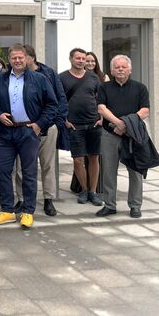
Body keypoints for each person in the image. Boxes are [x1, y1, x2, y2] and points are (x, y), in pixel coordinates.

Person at [0, 44, 58, 229]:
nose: (17, 61)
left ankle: (28, 211)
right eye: (14, 58)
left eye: (21, 57)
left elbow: (52, 105)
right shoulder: (0, 79)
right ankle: (7, 211)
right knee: (2, 169)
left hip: (28, 132)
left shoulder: (39, 79)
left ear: (27, 58)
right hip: (6, 132)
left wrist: (38, 125)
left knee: (29, 172)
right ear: (9, 59)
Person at [15, 44, 68, 217]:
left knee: (47, 164)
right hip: (23, 128)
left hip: (47, 126)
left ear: (31, 58)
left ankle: (48, 200)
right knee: (22, 166)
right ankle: (22, 199)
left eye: (22, 57)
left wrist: (56, 123)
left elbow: (60, 99)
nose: (18, 61)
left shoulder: (48, 73)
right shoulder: (13, 75)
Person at [96, 55, 150, 219]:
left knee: (135, 171)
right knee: (109, 171)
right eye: (117, 67)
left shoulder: (140, 88)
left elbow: (145, 111)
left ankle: (135, 206)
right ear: (111, 70)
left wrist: (126, 125)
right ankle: (110, 205)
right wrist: (119, 124)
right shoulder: (104, 87)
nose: (120, 69)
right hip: (109, 135)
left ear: (130, 70)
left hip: (133, 136)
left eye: (123, 67)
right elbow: (101, 109)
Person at [60, 48, 102, 206]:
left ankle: (93, 191)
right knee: (77, 160)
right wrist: (64, 120)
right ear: (71, 59)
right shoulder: (62, 77)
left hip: (94, 124)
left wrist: (102, 118)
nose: (81, 61)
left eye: (83, 58)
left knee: (94, 158)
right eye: (78, 58)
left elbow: (101, 99)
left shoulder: (93, 78)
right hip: (74, 126)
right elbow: (58, 101)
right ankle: (83, 190)